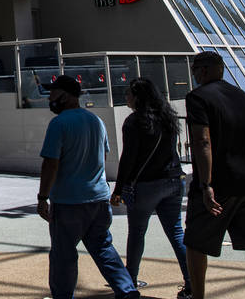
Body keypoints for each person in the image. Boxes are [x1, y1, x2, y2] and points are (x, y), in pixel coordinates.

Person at [184, 51, 245, 299]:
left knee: (196, 244)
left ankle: (197, 296)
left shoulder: (198, 98)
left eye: (195, 69)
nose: (194, 74)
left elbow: (202, 140)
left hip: (218, 186)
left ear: (204, 70)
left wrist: (206, 185)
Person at [38, 75, 140, 299]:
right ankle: (127, 290)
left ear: (66, 95)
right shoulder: (96, 121)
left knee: (63, 255)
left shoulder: (59, 124)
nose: (50, 98)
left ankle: (63, 296)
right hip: (98, 199)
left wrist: (42, 197)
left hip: (68, 201)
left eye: (53, 93)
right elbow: (102, 156)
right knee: (103, 248)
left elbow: (51, 163)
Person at [112, 78, 192, 299]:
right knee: (176, 233)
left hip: (146, 185)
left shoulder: (134, 122)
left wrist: (118, 188)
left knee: (137, 233)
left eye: (128, 93)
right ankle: (191, 281)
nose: (126, 97)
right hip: (174, 181)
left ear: (138, 97)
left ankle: (130, 281)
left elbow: (128, 158)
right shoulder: (167, 119)